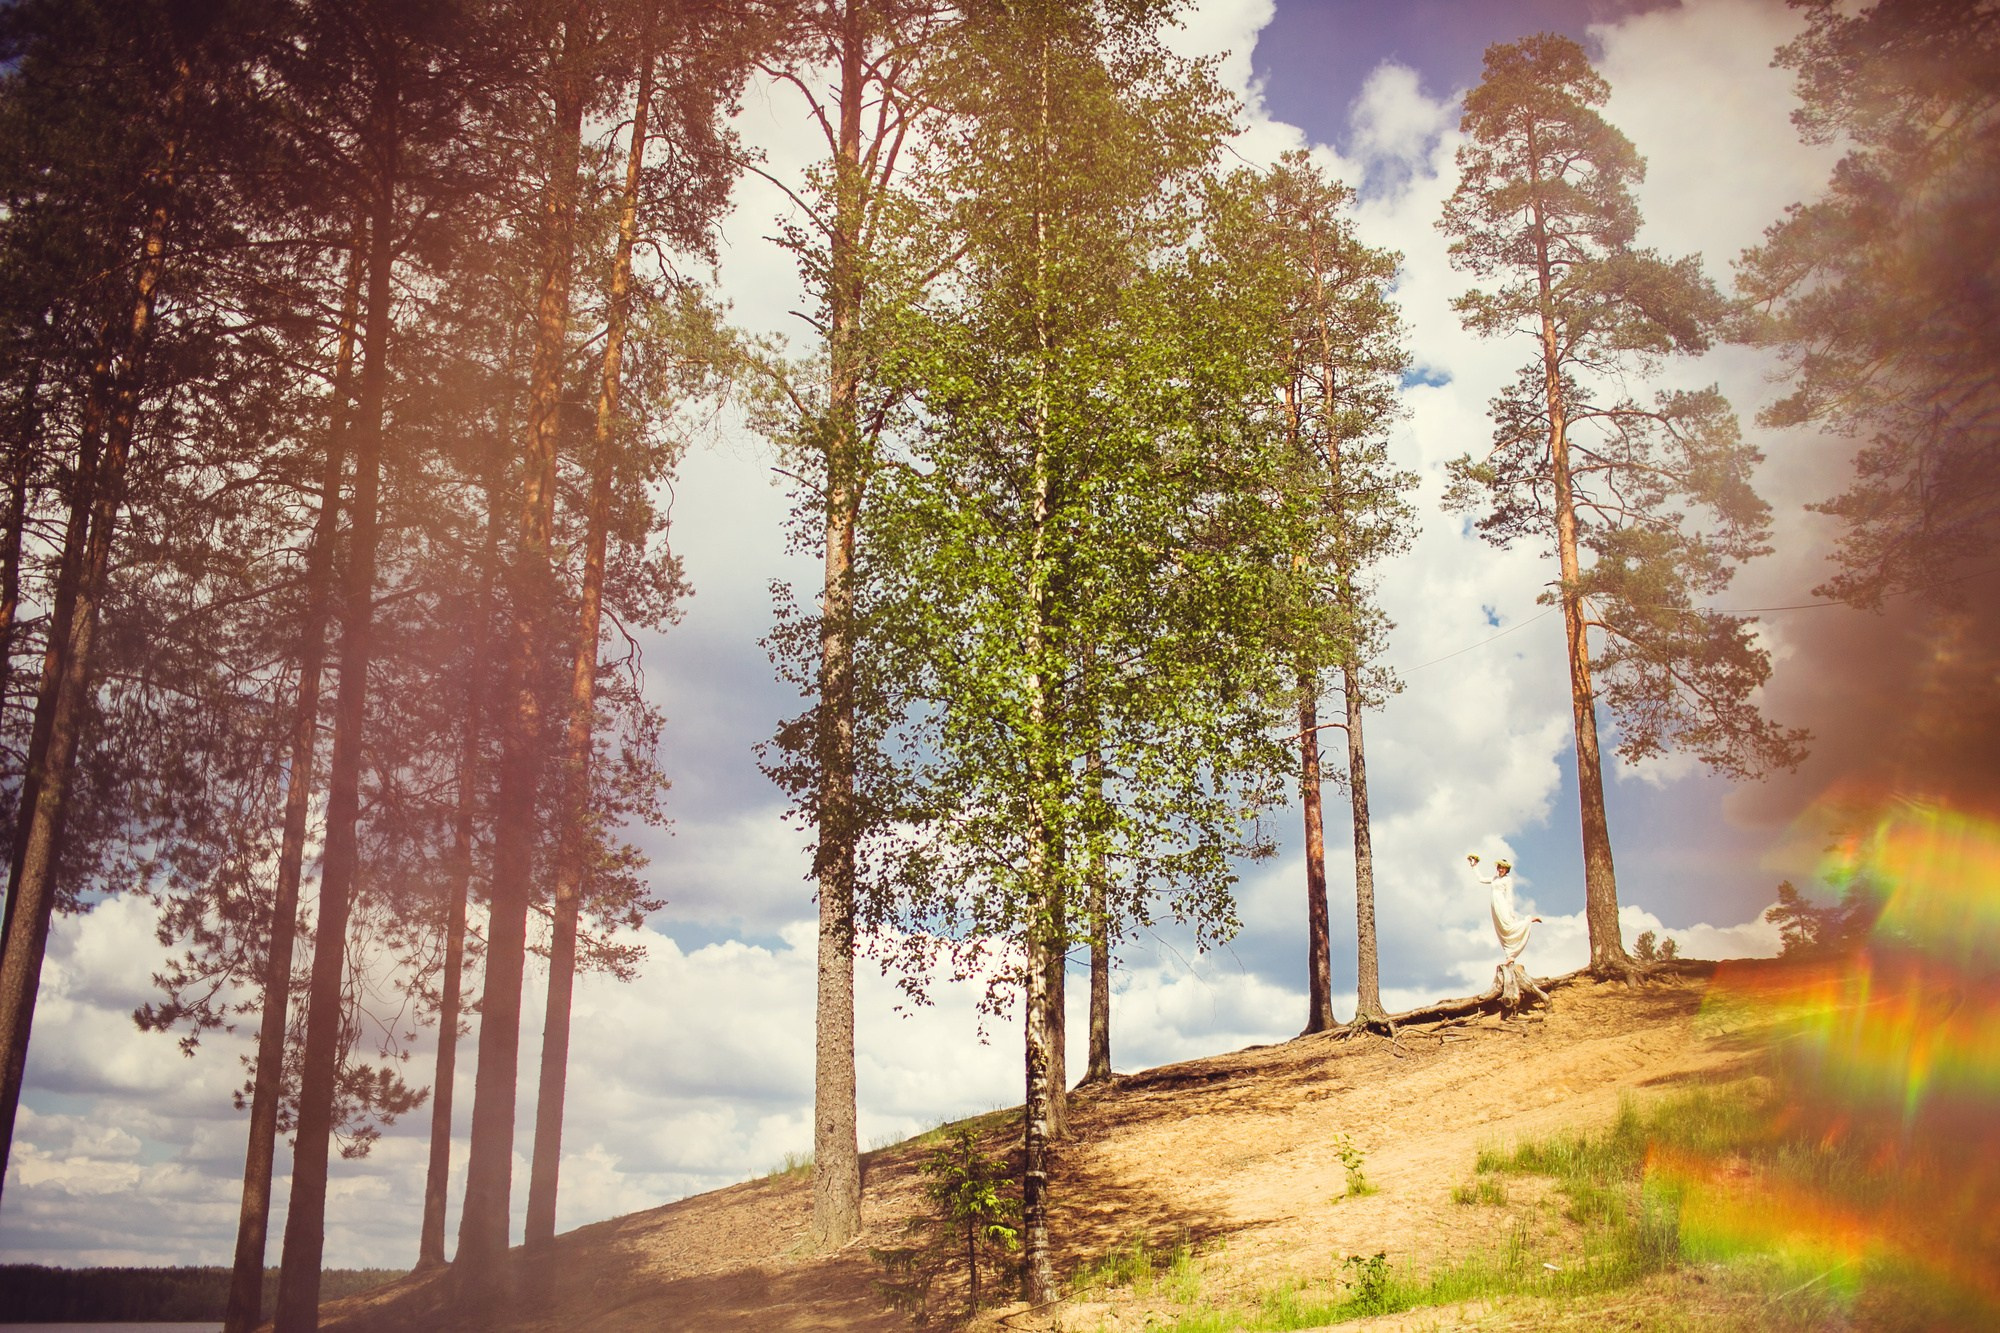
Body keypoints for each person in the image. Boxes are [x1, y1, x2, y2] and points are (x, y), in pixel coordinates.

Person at [1468, 854, 1539, 961]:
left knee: (1508, 926)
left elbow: (1509, 897)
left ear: (1506, 870)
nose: (1500, 869)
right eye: (1499, 867)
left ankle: (1528, 920)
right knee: (1501, 929)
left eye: (1503, 868)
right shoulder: (1494, 878)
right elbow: (1481, 879)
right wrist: (1474, 866)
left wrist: (1512, 913)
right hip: (1494, 906)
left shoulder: (1507, 880)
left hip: (1502, 904)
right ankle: (1509, 955)